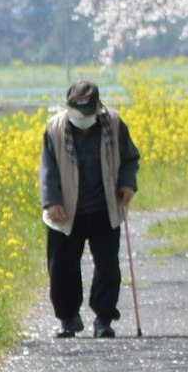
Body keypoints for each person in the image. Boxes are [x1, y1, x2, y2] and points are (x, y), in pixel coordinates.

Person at [40, 81, 142, 338]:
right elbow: (48, 169)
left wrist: (128, 184)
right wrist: (52, 201)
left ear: (98, 107)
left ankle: (103, 318)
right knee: (62, 267)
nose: (82, 120)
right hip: (66, 211)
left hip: (104, 206)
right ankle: (68, 318)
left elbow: (130, 158)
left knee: (108, 266)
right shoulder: (55, 128)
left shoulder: (115, 124)